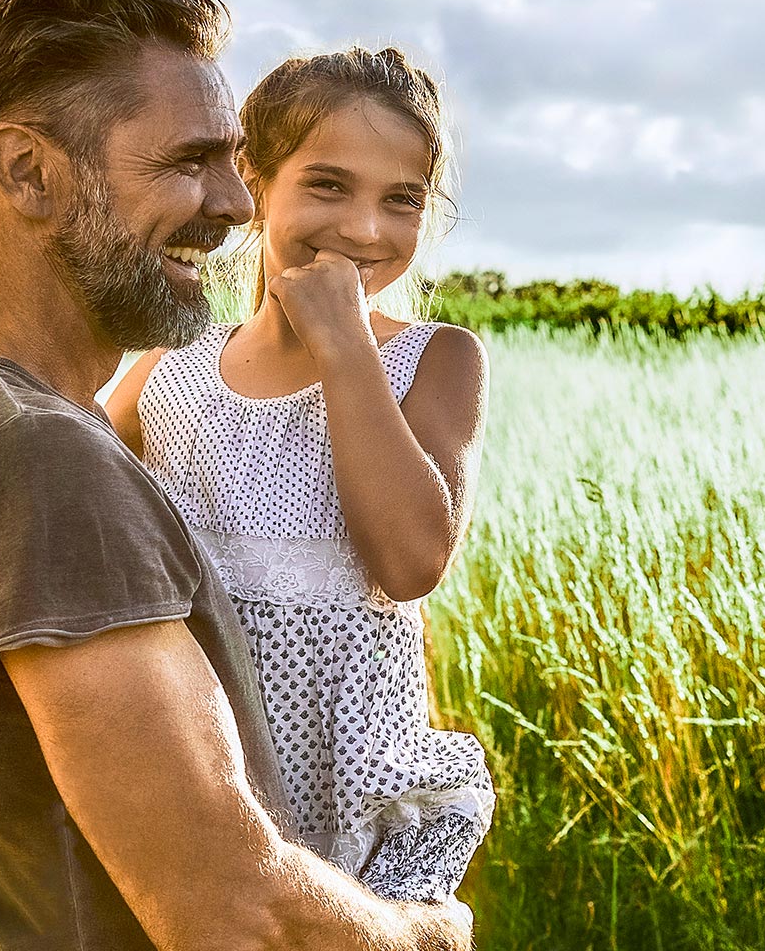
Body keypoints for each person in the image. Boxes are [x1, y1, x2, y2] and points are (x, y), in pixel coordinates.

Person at [0, 0, 472, 951]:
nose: (232, 202)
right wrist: (433, 936)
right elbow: (240, 916)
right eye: (189, 162)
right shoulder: (34, 459)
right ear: (27, 173)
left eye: (233, 161)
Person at [106, 46, 495, 906]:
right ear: (253, 183)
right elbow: (74, 494)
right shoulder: (172, 372)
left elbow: (408, 562)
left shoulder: (435, 361)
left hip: (357, 815)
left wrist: (345, 345)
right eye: (327, 185)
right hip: (212, 797)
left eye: (402, 200)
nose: (364, 229)